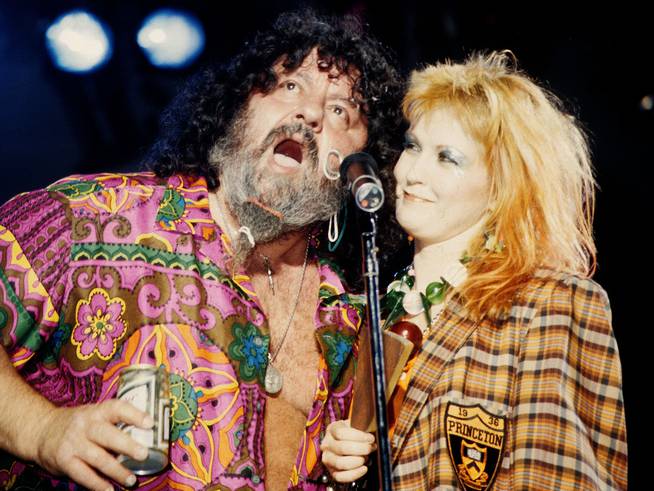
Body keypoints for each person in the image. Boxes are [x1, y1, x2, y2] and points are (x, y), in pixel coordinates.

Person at [0, 10, 404, 490]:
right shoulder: (95, 217)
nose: (311, 113)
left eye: (341, 110)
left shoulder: (350, 313)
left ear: (364, 159)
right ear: (238, 108)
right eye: (289, 86)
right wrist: (42, 430)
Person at [321, 51, 628, 490]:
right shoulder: (376, 307)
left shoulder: (550, 300)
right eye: (413, 146)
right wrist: (341, 465)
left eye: (448, 158)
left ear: (503, 187)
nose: (412, 173)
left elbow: (555, 476)